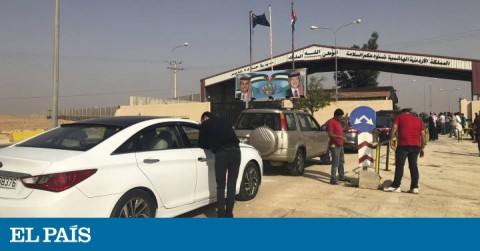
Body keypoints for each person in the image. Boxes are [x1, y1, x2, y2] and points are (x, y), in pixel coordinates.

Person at [198, 111, 241, 217]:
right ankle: (229, 214)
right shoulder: (224, 120)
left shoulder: (205, 124)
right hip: (236, 151)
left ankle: (221, 215)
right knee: (231, 186)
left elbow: (201, 144)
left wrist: (211, 144)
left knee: (221, 186)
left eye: (202, 120)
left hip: (222, 154)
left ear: (205, 118)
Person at [384, 108, 426, 194]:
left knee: (400, 166)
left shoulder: (399, 117)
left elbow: (394, 127)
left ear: (402, 113)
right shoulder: (418, 120)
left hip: (403, 145)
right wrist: (422, 148)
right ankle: (414, 187)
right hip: (416, 146)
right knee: (413, 166)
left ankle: (396, 186)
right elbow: (423, 134)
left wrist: (391, 139)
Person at [327, 108, 348, 185]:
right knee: (335, 162)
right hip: (334, 145)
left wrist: (346, 124)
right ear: (336, 115)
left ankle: (341, 176)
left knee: (341, 162)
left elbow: (341, 130)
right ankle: (333, 179)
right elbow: (330, 134)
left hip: (340, 145)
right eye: (340, 116)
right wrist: (341, 138)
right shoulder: (331, 122)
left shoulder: (338, 122)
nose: (341, 118)